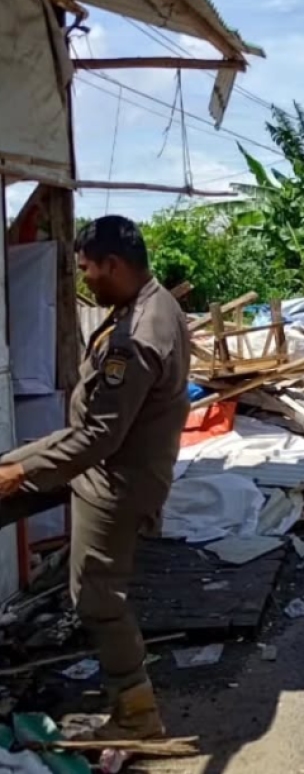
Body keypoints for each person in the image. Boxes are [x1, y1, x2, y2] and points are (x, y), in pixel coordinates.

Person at [0, 216, 190, 739]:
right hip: (103, 460)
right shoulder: (152, 303)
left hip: (115, 477)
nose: (84, 280)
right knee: (8, 476)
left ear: (114, 264)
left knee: (97, 598)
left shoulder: (137, 338)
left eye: (87, 270)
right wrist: (15, 468)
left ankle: (136, 715)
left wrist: (22, 471)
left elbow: (98, 437)